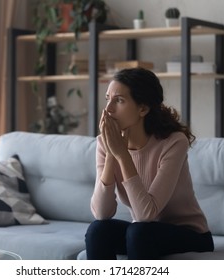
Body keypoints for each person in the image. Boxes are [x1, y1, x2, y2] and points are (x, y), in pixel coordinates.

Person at [85, 67, 214, 260]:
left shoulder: (173, 142)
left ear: (143, 109)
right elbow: (101, 213)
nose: (108, 109)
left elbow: (146, 214)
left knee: (139, 232)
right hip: (144, 232)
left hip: (190, 234)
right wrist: (112, 152)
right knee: (98, 230)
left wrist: (122, 155)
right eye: (107, 99)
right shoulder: (105, 143)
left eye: (119, 100)